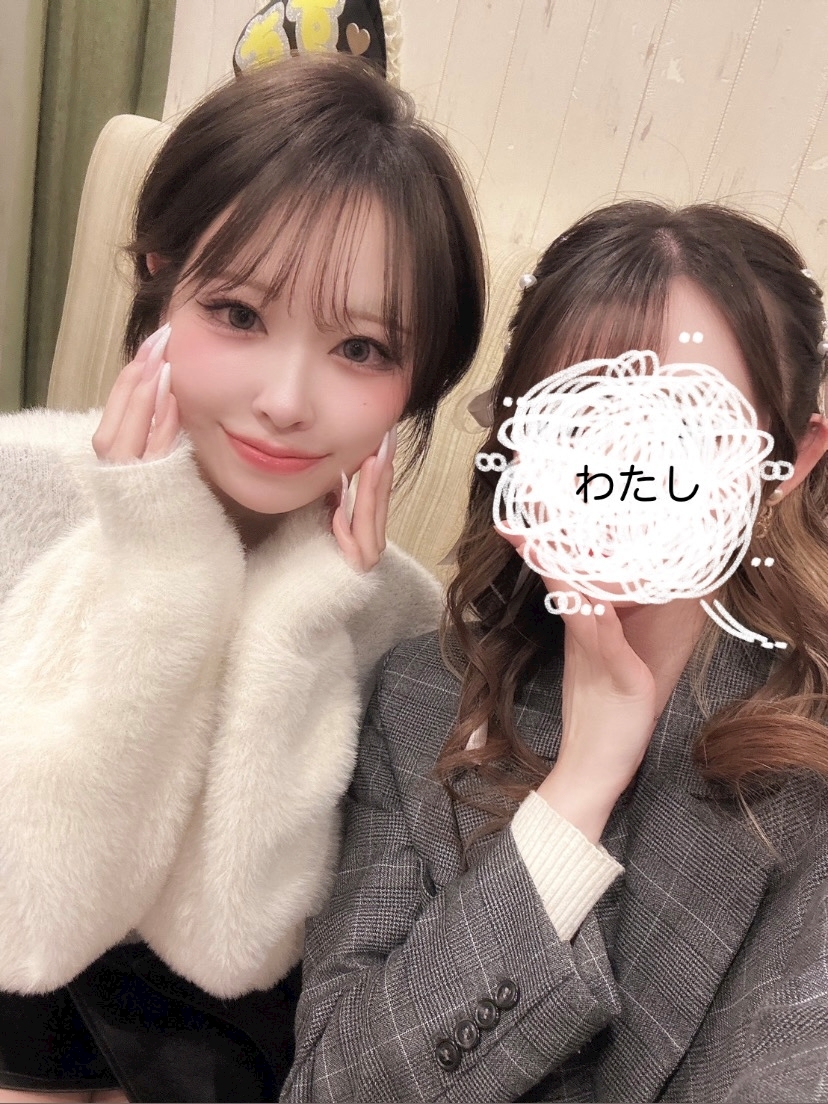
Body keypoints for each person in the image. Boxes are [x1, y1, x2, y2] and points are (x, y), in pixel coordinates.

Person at [0, 52, 485, 1103]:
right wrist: (157, 565)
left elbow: (235, 946)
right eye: (239, 314)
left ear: (418, 384)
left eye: (363, 348)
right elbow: (27, 926)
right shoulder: (19, 494)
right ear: (160, 283)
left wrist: (296, 626)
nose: (286, 400)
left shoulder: (401, 626)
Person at [284, 200, 828, 1103]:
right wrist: (575, 796)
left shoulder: (807, 764)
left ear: (790, 458)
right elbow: (333, 1088)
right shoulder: (419, 694)